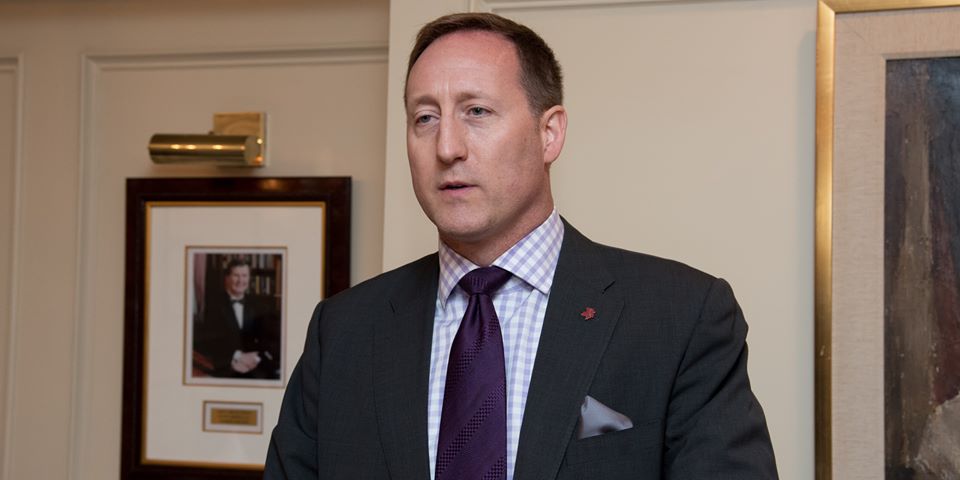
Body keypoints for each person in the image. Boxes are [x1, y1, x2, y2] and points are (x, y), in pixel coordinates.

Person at [265, 12, 778, 479]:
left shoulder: (681, 317)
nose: (447, 147)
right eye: (425, 118)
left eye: (477, 111)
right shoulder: (344, 332)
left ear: (549, 133)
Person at [193, 258, 280, 379]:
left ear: (249, 278)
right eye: (236, 275)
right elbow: (208, 342)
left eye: (244, 276)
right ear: (227, 278)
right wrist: (237, 356)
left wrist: (256, 357)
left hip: (256, 364)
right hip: (226, 366)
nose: (240, 280)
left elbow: (268, 339)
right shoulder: (213, 306)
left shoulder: (259, 304)